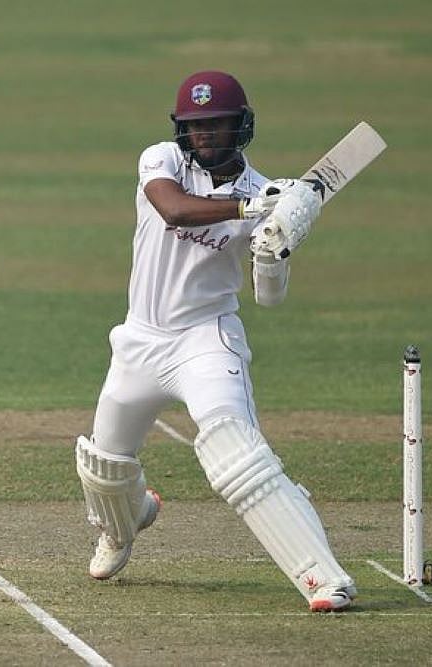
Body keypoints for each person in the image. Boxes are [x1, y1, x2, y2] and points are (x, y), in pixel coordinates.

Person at [74, 70, 356, 612]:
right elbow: (173, 209)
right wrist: (255, 210)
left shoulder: (265, 194)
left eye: (217, 124)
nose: (205, 135)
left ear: (240, 126)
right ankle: (125, 521)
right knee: (104, 466)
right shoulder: (162, 161)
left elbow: (268, 297)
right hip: (140, 340)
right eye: (196, 125)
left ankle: (324, 577)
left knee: (238, 455)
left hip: (205, 341)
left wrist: (278, 246)